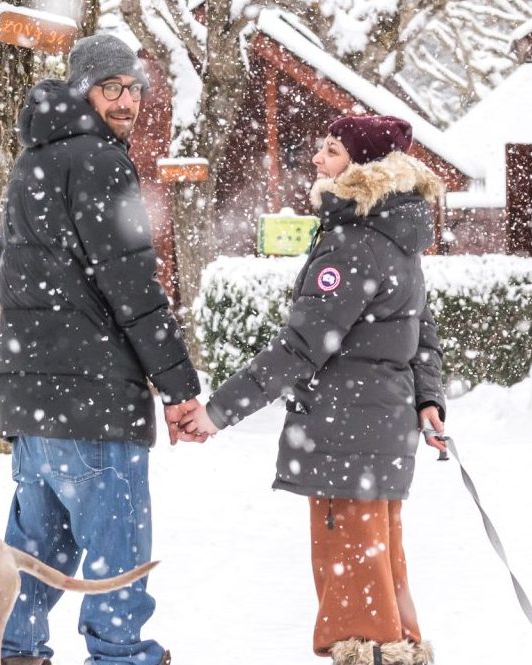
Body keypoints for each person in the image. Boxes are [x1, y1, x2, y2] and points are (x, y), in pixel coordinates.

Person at [179, 115, 447, 665]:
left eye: (330, 151)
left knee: (357, 607)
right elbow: (422, 334)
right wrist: (428, 399)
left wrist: (217, 412)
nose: (318, 161)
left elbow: (301, 347)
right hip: (380, 430)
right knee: (382, 577)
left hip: (346, 434)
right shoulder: (396, 236)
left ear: (362, 169)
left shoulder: (354, 242)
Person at [0, 33, 202, 665]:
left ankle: (13, 649)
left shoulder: (32, 160)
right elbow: (131, 283)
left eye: (133, 87)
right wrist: (179, 385)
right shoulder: (100, 161)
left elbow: (4, 271)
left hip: (34, 405)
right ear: (83, 89)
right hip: (94, 400)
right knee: (116, 547)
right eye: (110, 87)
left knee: (36, 550)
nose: (126, 100)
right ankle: (120, 655)